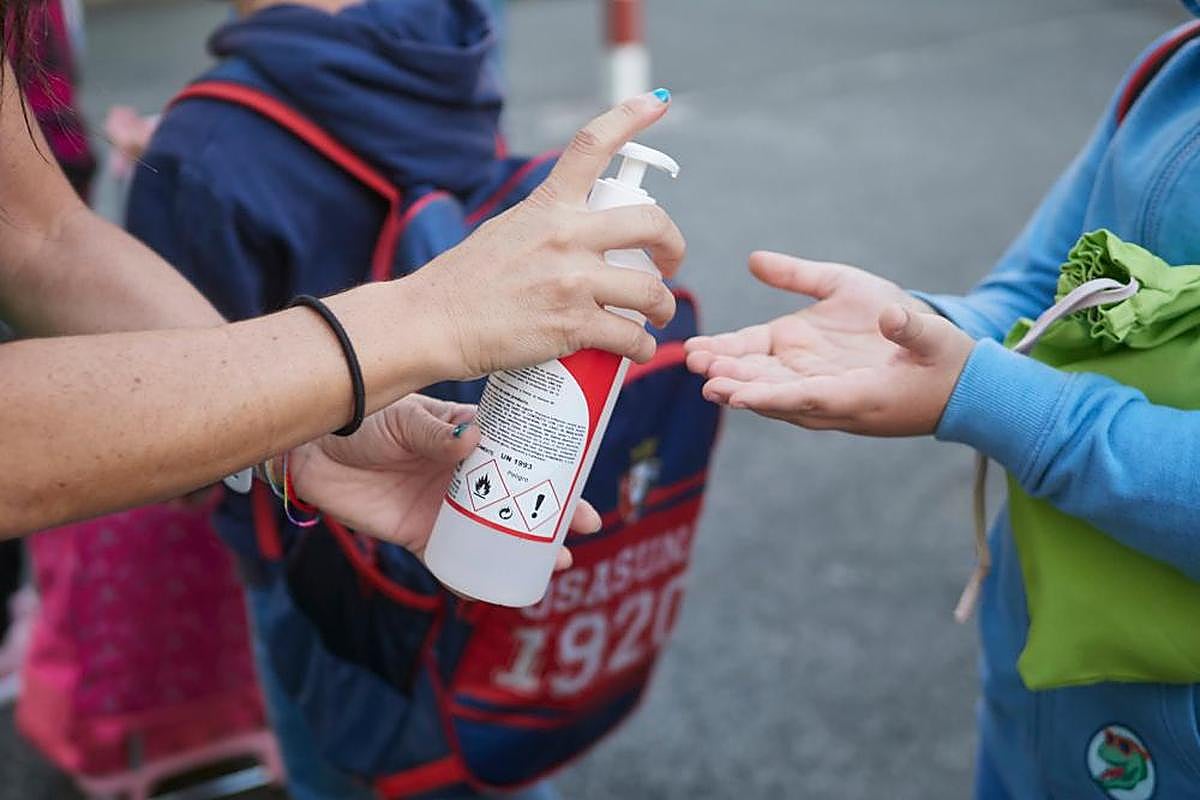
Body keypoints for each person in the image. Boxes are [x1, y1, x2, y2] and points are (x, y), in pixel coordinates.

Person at [687, 7, 1200, 800]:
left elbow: (1011, 385)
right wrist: (921, 332)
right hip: (1041, 683)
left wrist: (987, 396)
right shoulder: (1174, 65)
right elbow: (1043, 289)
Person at [0, 0, 683, 552]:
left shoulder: (208, 138)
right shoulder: (456, 50)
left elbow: (37, 233)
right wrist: (427, 318)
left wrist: (294, 432)